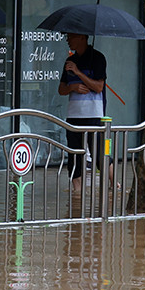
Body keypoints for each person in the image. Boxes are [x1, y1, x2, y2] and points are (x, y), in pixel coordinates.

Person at [58, 32, 112, 193]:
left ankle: (114, 184)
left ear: (82, 37)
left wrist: (79, 73)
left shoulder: (97, 58)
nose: (68, 40)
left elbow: (99, 87)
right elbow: (61, 89)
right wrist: (72, 87)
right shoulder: (70, 61)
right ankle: (77, 192)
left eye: (70, 37)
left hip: (94, 115)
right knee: (74, 155)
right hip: (73, 116)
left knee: (100, 153)